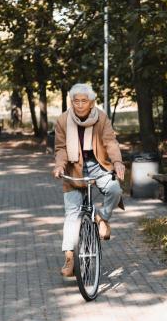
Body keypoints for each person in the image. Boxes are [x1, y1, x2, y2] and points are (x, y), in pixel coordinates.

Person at [52, 83, 125, 277]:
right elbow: (61, 148)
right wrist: (60, 166)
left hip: (97, 166)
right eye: (76, 101)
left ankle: (102, 218)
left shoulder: (101, 118)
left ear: (91, 103)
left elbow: (110, 142)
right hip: (73, 168)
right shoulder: (63, 120)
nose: (79, 104)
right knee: (72, 214)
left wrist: (117, 162)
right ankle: (70, 258)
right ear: (71, 102)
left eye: (83, 101)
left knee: (115, 190)